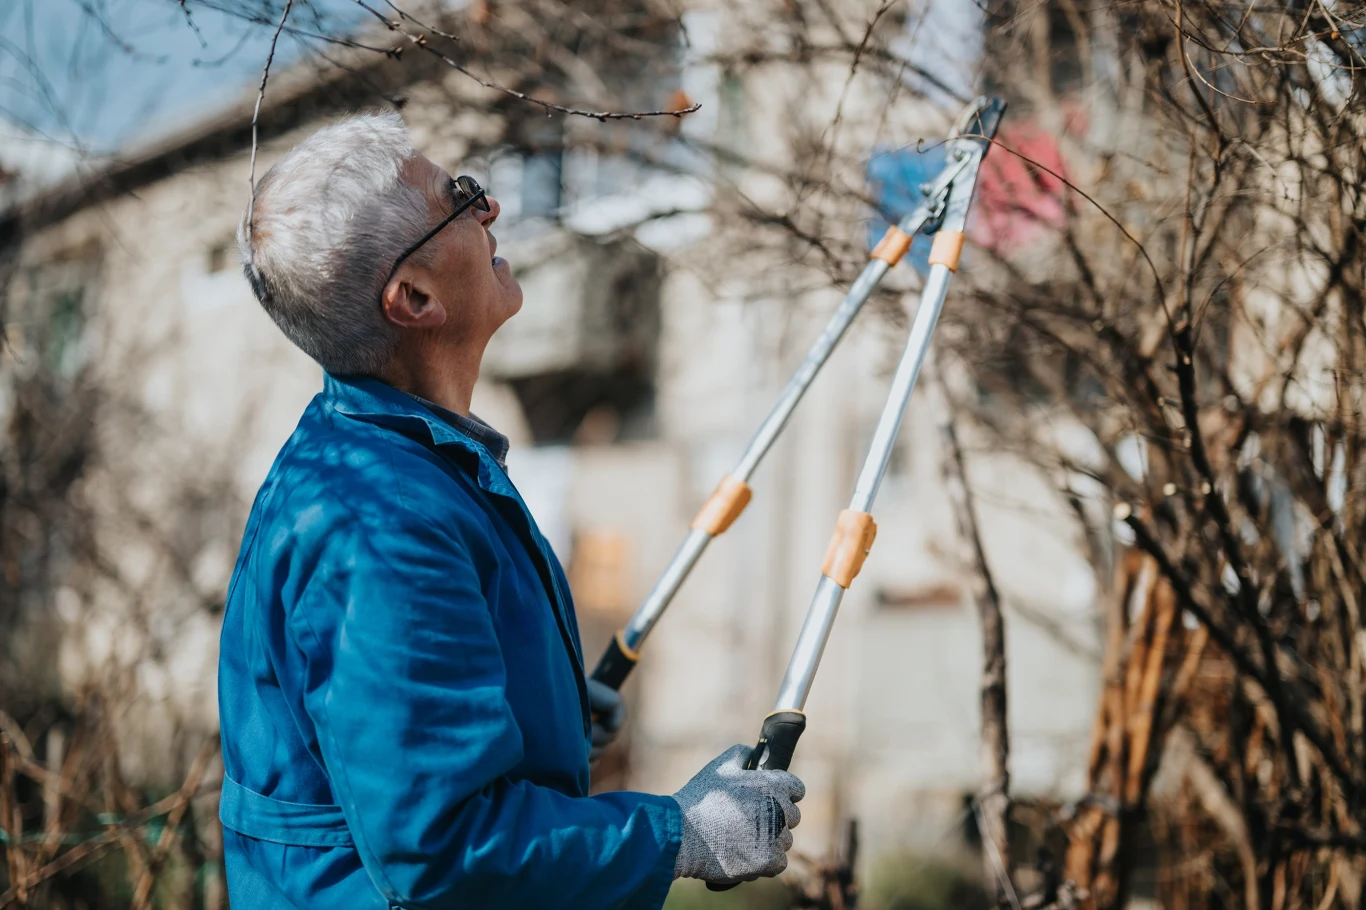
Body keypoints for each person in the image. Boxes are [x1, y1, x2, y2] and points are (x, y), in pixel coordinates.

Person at [218, 111, 805, 910]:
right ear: (414, 296)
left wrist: (546, 714)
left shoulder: (401, 461)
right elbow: (444, 847)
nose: (491, 207)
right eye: (459, 197)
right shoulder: (382, 521)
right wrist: (682, 834)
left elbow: (397, 734)